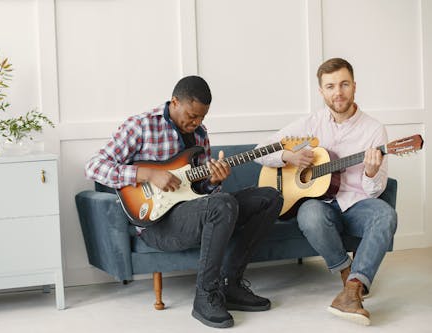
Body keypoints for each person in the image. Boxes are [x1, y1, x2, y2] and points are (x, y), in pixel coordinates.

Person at [85, 75, 283, 328]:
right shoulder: (141, 126)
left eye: (202, 117)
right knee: (222, 204)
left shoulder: (200, 135)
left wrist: (213, 180)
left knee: (270, 198)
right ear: (175, 102)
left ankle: (230, 285)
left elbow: (203, 191)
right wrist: (146, 174)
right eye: (192, 115)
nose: (196, 122)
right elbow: (94, 166)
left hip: (193, 212)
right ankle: (205, 296)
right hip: (157, 224)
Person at [255, 58, 397, 326]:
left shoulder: (374, 129)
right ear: (321, 91)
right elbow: (262, 150)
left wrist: (370, 172)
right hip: (320, 204)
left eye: (344, 84)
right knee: (309, 215)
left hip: (358, 204)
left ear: (354, 86)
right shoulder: (310, 124)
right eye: (330, 86)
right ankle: (346, 272)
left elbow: (376, 190)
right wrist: (288, 156)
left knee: (386, 215)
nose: (338, 92)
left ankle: (353, 288)